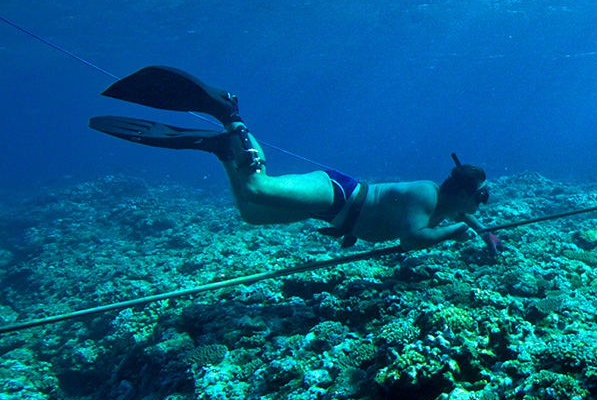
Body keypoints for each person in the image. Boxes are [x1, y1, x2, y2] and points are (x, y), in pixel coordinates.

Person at [88, 66, 489, 251]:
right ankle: (230, 114)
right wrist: (453, 235)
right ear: (465, 191)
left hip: (335, 211)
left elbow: (461, 215)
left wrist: (483, 230)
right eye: (482, 196)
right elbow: (412, 238)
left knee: (250, 210)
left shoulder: (450, 205)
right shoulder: (426, 196)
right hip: (337, 195)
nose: (481, 204)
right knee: (257, 187)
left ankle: (225, 150)